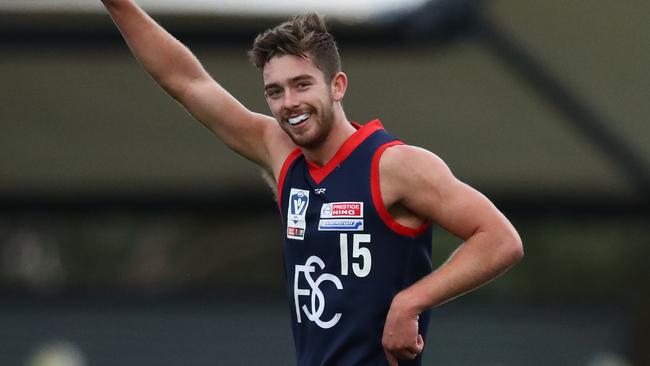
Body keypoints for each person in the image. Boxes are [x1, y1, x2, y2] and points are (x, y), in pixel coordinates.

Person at [101, 1, 524, 365]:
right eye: (275, 91)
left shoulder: (393, 164)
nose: (290, 103)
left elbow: (500, 239)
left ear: (337, 86)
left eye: (302, 85)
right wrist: (117, 4)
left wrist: (411, 301)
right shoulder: (280, 152)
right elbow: (188, 82)